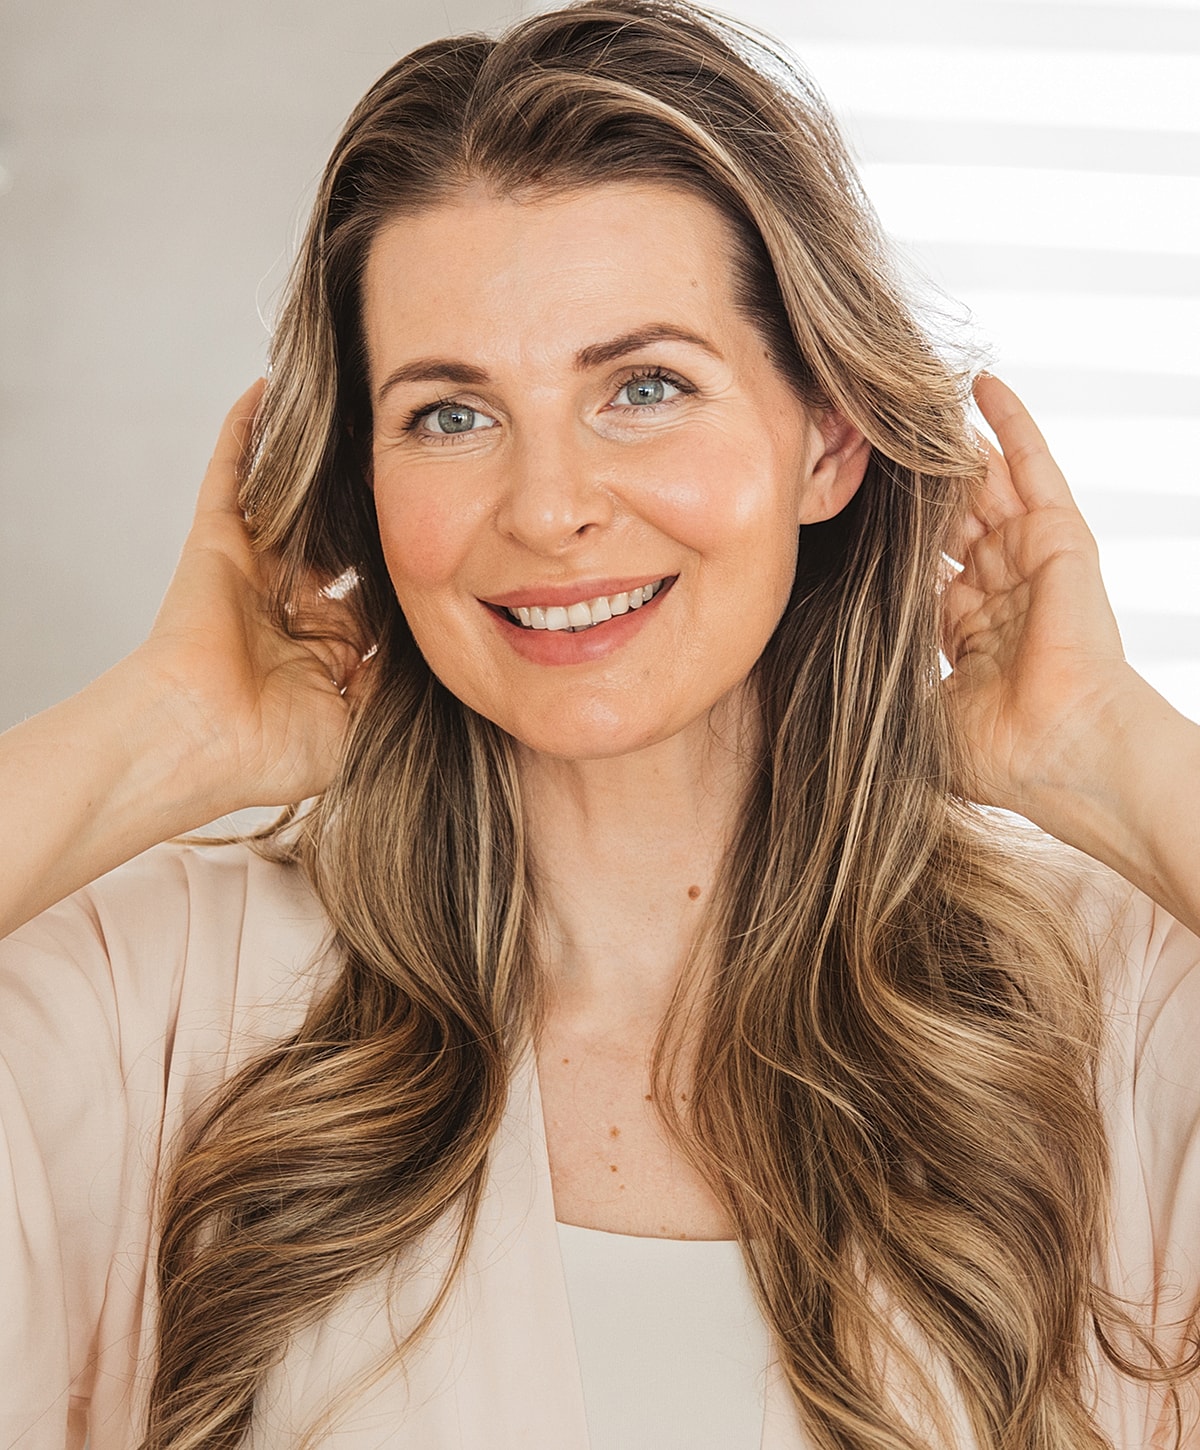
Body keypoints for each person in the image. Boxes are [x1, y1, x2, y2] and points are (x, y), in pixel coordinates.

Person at [2, 1, 1198, 1447]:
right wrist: (167, 727)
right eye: (451, 413)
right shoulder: (164, 999)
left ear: (826, 438)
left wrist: (1106, 752)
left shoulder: (1108, 1015)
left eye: (645, 386)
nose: (548, 506)